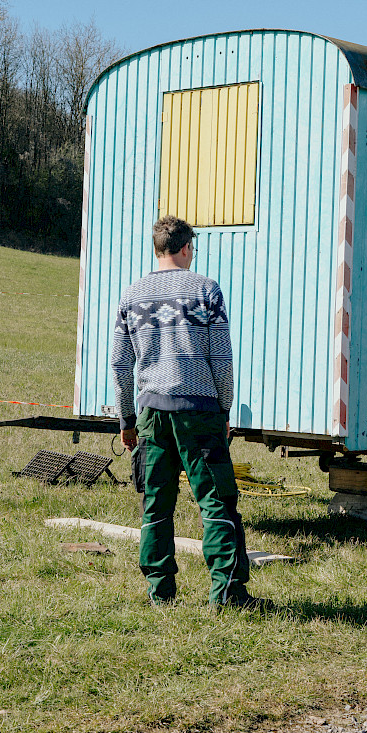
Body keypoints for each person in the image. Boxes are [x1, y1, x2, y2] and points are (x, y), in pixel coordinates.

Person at [110, 215, 266, 609]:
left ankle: (160, 594)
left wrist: (127, 419)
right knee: (216, 501)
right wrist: (224, 408)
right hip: (199, 411)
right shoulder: (206, 290)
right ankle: (227, 594)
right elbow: (222, 359)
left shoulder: (131, 295)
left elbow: (120, 363)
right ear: (185, 248)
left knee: (156, 503)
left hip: (152, 412)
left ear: (157, 249)